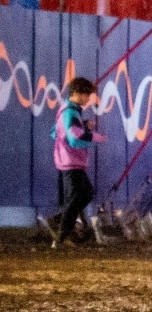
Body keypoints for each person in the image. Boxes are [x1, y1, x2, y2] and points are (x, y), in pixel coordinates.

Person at [50, 77, 106, 249]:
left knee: (86, 193)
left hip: (72, 161)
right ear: (77, 94)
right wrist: (97, 137)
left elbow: (58, 131)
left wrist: (83, 124)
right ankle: (60, 239)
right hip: (70, 161)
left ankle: (61, 219)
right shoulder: (69, 112)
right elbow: (74, 137)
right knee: (75, 198)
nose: (89, 98)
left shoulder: (71, 111)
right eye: (86, 94)